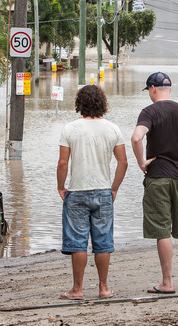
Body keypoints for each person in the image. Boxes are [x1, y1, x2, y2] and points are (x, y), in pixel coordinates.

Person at [57, 85, 128, 300]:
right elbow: (123, 162)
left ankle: (77, 289)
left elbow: (62, 163)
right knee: (103, 241)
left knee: (78, 242)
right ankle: (103, 288)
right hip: (104, 191)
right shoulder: (113, 129)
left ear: (79, 104)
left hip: (77, 191)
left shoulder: (69, 128)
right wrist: (113, 188)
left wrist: (61, 187)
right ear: (102, 103)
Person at [131, 72, 178, 294]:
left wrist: (141, 162)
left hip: (158, 176)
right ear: (169, 89)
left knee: (162, 230)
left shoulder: (149, 112)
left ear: (152, 89)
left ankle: (167, 282)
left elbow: (136, 137)